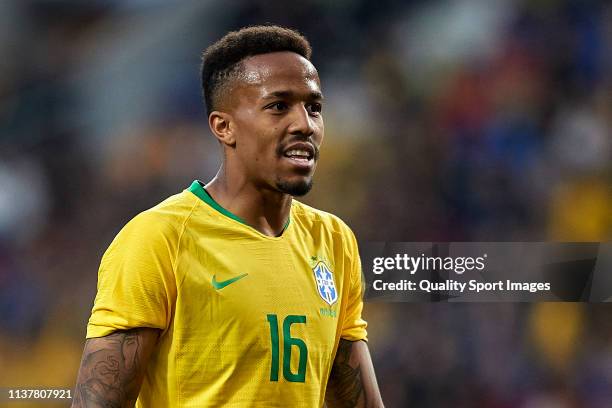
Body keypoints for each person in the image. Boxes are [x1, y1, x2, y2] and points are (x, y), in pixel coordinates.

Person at [72, 25, 384, 408]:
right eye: (278, 106)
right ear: (224, 127)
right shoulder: (159, 238)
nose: (305, 124)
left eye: (314, 108)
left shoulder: (334, 241)